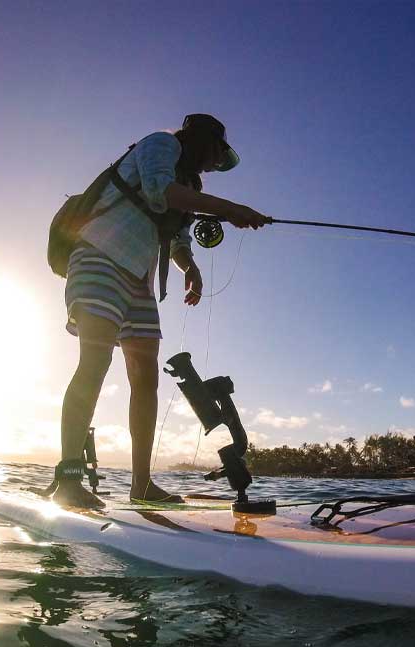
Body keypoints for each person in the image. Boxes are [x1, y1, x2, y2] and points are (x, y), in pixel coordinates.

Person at [52, 114, 269, 509]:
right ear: (203, 141)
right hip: (99, 258)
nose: (215, 165)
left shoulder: (190, 184)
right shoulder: (160, 144)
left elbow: (178, 240)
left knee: (146, 380)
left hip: (139, 281)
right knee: (95, 362)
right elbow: (157, 189)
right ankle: (68, 476)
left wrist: (191, 269)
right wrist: (230, 208)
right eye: (217, 154)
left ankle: (141, 484)